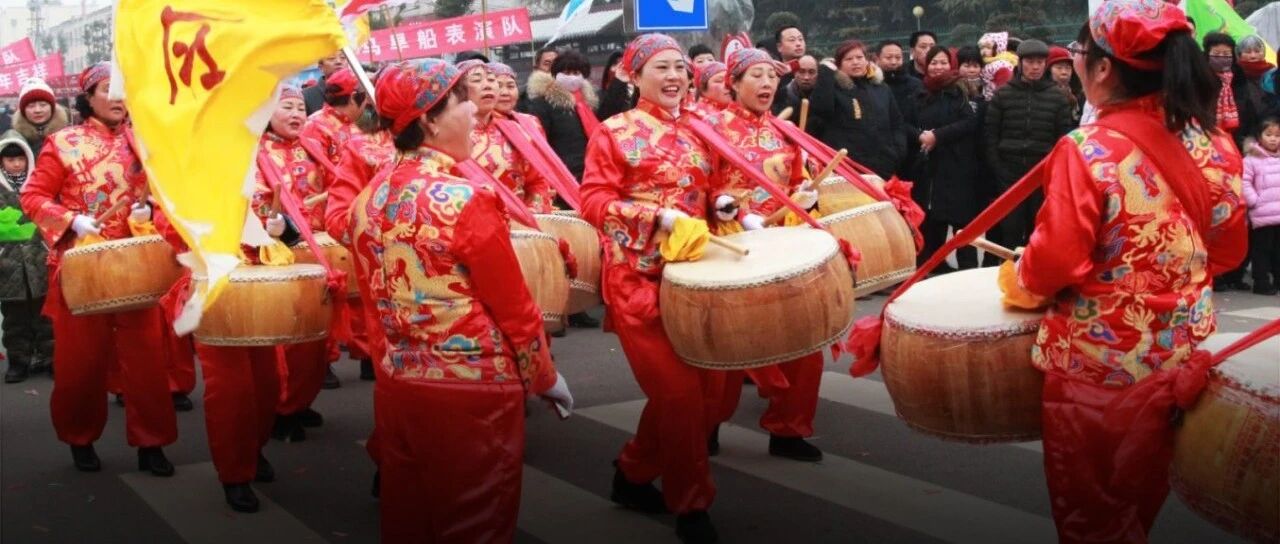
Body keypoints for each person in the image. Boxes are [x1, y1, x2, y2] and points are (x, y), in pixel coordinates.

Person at [999, 2, 1247, 541]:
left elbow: (1055, 264)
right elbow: (1228, 254)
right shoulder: (1218, 145)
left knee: (1092, 516)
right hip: (1182, 361)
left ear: (1105, 68)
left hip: (1098, 370)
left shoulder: (1087, 149)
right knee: (1142, 497)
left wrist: (1018, 277)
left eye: (1083, 55)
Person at [348, 57, 570, 544]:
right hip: (472, 389)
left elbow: (372, 307)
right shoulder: (465, 199)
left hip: (399, 388)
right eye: (461, 101)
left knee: (410, 519)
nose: (474, 111)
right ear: (428, 119)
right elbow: (513, 308)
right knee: (476, 523)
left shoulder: (366, 200)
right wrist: (544, 376)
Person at [580, 33, 722, 544]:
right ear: (634, 75)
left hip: (695, 275)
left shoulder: (703, 129)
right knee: (681, 396)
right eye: (660, 68)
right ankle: (692, 506)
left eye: (680, 68)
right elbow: (593, 201)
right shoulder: (614, 132)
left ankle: (633, 472)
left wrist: (724, 206)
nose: (674, 77)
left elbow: (715, 188)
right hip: (637, 278)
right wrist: (654, 217)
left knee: (700, 394)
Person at [160, 88, 316, 513]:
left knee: (269, 382)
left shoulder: (262, 156)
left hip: (260, 286)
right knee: (230, 388)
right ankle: (234, 472)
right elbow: (167, 225)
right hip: (215, 286)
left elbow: (287, 213)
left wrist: (281, 228)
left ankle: (253, 446)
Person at [19, 62, 178, 475]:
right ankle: (80, 435)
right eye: (109, 89)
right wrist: (70, 221)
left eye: (125, 89)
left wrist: (152, 209)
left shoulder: (144, 143)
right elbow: (34, 196)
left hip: (134, 265)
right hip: (83, 268)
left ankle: (152, 442)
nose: (119, 98)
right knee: (81, 362)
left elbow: (168, 198)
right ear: (88, 96)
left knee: (146, 360)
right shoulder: (63, 142)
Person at [703, 47, 826, 463]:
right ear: (734, 83)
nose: (768, 84)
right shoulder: (710, 128)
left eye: (772, 77)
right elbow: (701, 187)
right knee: (726, 345)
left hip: (782, 243)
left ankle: (789, 429)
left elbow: (798, 179)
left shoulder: (783, 131)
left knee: (804, 336)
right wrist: (733, 211)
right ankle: (707, 425)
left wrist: (806, 194)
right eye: (756, 75)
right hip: (730, 245)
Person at [263, 87, 334, 444]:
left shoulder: (313, 147)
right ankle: (281, 408)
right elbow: (252, 203)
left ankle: (301, 399)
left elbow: (339, 186)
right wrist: (277, 226)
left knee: (315, 338)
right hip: (277, 257)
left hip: (318, 251)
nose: (296, 114)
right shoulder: (254, 153)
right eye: (286, 107)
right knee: (285, 339)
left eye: (300, 108)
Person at [299, 66, 375, 385]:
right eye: (364, 98)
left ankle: (367, 354)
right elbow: (310, 172)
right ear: (354, 97)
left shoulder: (365, 124)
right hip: (324, 214)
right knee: (329, 293)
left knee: (361, 290)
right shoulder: (316, 125)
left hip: (358, 208)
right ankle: (325, 358)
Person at [983, 39, 1073, 249]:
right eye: (1030, 62)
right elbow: (990, 135)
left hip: (1042, 174)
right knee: (1010, 230)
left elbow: (1064, 138)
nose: (1035, 67)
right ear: (1020, 63)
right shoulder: (1003, 95)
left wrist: (1052, 170)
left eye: (1040, 62)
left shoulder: (1057, 97)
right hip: (1009, 173)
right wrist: (998, 168)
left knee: (1038, 229)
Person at [913, 46, 980, 270]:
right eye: (934, 62)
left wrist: (937, 136)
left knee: (963, 223)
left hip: (959, 165)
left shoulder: (960, 90)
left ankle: (968, 269)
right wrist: (920, 136)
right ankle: (931, 266)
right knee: (933, 221)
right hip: (930, 167)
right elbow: (905, 122)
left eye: (943, 62)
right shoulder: (920, 92)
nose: (938, 67)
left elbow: (969, 123)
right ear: (926, 65)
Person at [463, 60, 556, 213]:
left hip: (520, 223)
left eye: (491, 80)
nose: (488, 86)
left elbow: (538, 180)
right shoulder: (450, 132)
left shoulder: (520, 129)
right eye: (477, 80)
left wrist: (532, 214)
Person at [808, 39, 906, 179]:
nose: (855, 62)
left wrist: (897, 152)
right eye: (849, 59)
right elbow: (821, 110)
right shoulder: (833, 89)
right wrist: (825, 73)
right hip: (846, 168)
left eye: (860, 57)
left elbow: (897, 123)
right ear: (839, 64)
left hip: (882, 166)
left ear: (867, 60)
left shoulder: (881, 88)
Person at [0, 130, 50, 384]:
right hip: (7, 264)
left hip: (39, 257)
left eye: (20, 158)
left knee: (45, 314)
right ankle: (18, 360)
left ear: (29, 159)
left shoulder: (38, 186)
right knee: (14, 317)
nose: (16, 163)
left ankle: (51, 357)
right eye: (10, 159)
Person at [525, 50, 599, 182]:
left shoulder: (589, 103)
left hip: (592, 171)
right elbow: (539, 142)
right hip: (563, 174)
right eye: (566, 73)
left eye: (576, 73)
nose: (571, 77)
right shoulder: (543, 103)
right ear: (556, 75)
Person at [1244, 117, 1280, 295]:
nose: (1273, 139)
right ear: (1259, 137)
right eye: (1269, 134)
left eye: (1277, 135)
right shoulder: (1251, 159)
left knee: (1278, 250)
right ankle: (1261, 281)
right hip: (1262, 213)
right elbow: (1245, 182)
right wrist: (1254, 201)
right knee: (1262, 250)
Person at [11, 77, 69, 156]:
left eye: (43, 105)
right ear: (23, 110)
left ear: (52, 107)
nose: (37, 110)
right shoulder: (14, 139)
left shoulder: (68, 134)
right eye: (31, 106)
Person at [1047, 46, 1083, 125]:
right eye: (1059, 68)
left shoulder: (1080, 93)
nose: (1064, 72)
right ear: (1048, 70)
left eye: (1068, 68)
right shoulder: (1042, 94)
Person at [303, 51, 347, 115]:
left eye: (343, 57)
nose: (338, 62)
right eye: (331, 58)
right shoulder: (306, 96)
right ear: (321, 67)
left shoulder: (358, 92)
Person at [978, 32, 1018, 101]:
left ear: (998, 48)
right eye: (982, 48)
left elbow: (1004, 88)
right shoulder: (987, 62)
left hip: (995, 100)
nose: (984, 51)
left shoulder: (1001, 65)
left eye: (988, 48)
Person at [598, 50, 637, 120]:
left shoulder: (636, 93)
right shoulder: (598, 96)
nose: (619, 68)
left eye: (623, 64)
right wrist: (618, 82)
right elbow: (604, 116)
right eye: (615, 64)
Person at [518, 47, 559, 112]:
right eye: (547, 64)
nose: (553, 67)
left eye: (556, 63)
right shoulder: (524, 96)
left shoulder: (570, 89)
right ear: (537, 67)